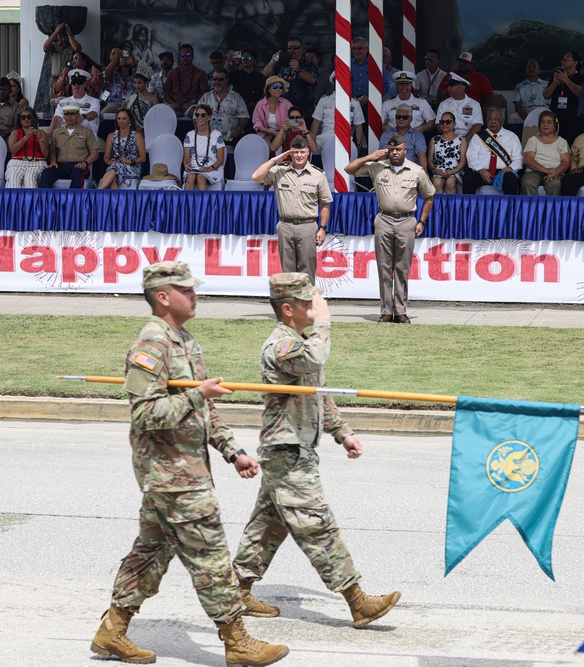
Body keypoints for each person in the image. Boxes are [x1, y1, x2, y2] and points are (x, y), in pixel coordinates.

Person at [90, 261, 289, 667]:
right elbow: (145, 415)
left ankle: (111, 631)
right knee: (211, 555)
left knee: (150, 552)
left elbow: (204, 411)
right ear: (163, 297)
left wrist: (233, 451)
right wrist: (198, 394)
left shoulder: (186, 341)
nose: (195, 295)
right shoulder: (151, 345)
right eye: (187, 290)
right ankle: (237, 642)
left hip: (185, 470)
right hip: (171, 475)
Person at [231, 272, 402, 629]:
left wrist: (343, 433)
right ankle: (358, 602)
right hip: (287, 449)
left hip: (296, 448)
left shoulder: (302, 341)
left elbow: (319, 396)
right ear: (289, 309)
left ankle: (237, 591)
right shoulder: (281, 346)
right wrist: (324, 323)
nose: (317, 307)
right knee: (317, 526)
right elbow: (315, 358)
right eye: (310, 303)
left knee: (268, 525)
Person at [344, 134, 435, 324]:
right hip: (384, 219)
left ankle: (400, 311)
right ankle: (386, 311)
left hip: (406, 220)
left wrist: (422, 222)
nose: (395, 153)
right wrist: (371, 156)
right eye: (391, 150)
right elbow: (349, 169)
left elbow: (429, 196)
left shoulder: (416, 171)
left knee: (402, 268)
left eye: (398, 149)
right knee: (384, 267)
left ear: (405, 150)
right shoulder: (377, 167)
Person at [252, 136, 330, 282]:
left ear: (308, 152)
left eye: (302, 152)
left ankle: (307, 304)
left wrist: (323, 228)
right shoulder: (279, 171)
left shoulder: (318, 175)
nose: (299, 155)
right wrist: (274, 160)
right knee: (288, 274)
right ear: (290, 153)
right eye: (295, 152)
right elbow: (256, 177)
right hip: (285, 226)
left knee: (307, 273)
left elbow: (325, 205)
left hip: (308, 226)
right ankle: (291, 304)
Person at [463, 107, 522, 195]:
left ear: (502, 121)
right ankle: (469, 207)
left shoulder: (512, 137)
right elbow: (471, 156)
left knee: (510, 178)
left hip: (502, 173)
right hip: (482, 172)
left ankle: (509, 208)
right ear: (486, 121)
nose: (493, 121)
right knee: (468, 177)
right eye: (490, 119)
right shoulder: (478, 137)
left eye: (496, 119)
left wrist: (510, 168)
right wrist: (481, 170)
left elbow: (519, 158)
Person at [39, 105, 100, 189]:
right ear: (63, 116)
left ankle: (74, 201)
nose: (69, 117)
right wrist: (53, 161)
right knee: (46, 173)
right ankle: (46, 201)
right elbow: (52, 151)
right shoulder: (57, 132)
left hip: (79, 165)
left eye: (72, 114)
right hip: (61, 165)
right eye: (67, 115)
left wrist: (84, 163)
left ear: (78, 116)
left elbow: (95, 153)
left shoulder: (87, 132)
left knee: (77, 173)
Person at [263, 36, 319, 116]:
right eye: (290, 48)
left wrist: (298, 69)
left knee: (299, 128)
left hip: (303, 110)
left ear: (302, 49)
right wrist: (272, 61)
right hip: (283, 110)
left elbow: (313, 79)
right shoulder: (282, 63)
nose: (292, 50)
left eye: (295, 48)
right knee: (285, 128)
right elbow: (266, 73)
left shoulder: (308, 64)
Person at [520, 110, 569, 196]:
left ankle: (551, 209)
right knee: (527, 182)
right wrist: (545, 170)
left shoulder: (562, 141)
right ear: (539, 126)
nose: (545, 125)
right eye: (542, 122)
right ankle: (532, 209)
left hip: (555, 172)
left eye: (549, 122)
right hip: (534, 171)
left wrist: (555, 172)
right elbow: (528, 160)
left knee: (555, 184)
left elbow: (566, 162)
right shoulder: (532, 140)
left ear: (555, 126)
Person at [310, 73, 366, 149]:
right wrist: (312, 141)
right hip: (325, 138)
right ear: (335, 83)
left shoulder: (354, 103)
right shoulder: (324, 100)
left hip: (345, 139)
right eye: (340, 81)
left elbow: (358, 126)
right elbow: (316, 121)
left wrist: (359, 145)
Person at [198, 69, 250, 145]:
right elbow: (195, 116)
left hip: (231, 136)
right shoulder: (206, 97)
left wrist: (238, 129)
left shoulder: (236, 97)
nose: (217, 82)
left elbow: (245, 116)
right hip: (209, 135)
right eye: (215, 79)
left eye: (220, 79)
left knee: (244, 143)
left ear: (227, 80)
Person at [545, 51, 584, 146]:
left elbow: (580, 93)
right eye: (563, 59)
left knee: (573, 144)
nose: (563, 61)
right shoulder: (556, 76)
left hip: (574, 118)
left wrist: (566, 79)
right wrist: (555, 83)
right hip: (557, 116)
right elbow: (546, 96)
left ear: (575, 62)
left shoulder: (581, 77)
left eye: (567, 59)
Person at [99, 108, 145, 190]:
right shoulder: (111, 136)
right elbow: (106, 157)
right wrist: (109, 162)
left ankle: (99, 190)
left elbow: (143, 158)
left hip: (132, 166)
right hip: (116, 165)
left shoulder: (137, 135)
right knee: (115, 167)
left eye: (124, 118)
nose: (121, 121)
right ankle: (113, 187)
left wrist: (130, 162)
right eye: (119, 118)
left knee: (114, 168)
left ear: (130, 120)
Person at [183, 103, 225, 191]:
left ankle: (202, 204)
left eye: (203, 115)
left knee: (201, 177)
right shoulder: (189, 135)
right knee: (190, 177)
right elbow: (186, 158)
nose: (199, 118)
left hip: (212, 168)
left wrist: (210, 168)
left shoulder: (217, 135)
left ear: (209, 117)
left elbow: (221, 160)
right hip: (194, 168)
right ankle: (187, 204)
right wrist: (187, 165)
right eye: (197, 115)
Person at [5, 107, 49, 188]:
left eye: (29, 117)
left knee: (30, 180)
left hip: (36, 163)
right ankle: (14, 201)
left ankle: (30, 201)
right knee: (14, 179)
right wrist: (26, 137)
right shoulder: (15, 132)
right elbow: (13, 150)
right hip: (17, 163)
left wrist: (40, 139)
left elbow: (46, 154)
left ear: (33, 119)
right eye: (23, 117)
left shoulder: (41, 133)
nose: (26, 119)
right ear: (19, 120)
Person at [49, 70, 101, 137]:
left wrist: (83, 117)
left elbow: (93, 114)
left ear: (85, 84)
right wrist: (51, 130)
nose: (76, 85)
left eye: (79, 82)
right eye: (74, 82)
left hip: (86, 138)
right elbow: (57, 118)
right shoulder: (63, 102)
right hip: (66, 137)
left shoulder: (94, 101)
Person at [42, 22, 81, 108]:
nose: (63, 39)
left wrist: (69, 33)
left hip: (70, 81)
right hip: (56, 79)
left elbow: (77, 48)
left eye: (65, 36)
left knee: (70, 105)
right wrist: (55, 32)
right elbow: (45, 47)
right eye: (60, 36)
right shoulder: (55, 46)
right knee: (54, 105)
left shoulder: (72, 46)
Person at [427, 111, 467, 194]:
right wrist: (435, 170)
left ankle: (451, 207)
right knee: (437, 182)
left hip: (456, 171)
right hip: (439, 171)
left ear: (454, 124)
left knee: (451, 182)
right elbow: (430, 159)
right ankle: (438, 207)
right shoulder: (434, 139)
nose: (444, 124)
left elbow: (463, 160)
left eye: (448, 122)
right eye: (442, 122)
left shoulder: (462, 139)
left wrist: (454, 171)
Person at [436, 73, 483, 141]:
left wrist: (464, 140)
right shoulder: (444, 104)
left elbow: (477, 127)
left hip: (469, 140)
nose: (448, 89)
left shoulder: (475, 104)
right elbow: (439, 127)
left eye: (451, 86)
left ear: (460, 89)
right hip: (448, 138)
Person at [380, 105, 427, 171]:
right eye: (398, 117)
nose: (401, 119)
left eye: (404, 117)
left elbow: (421, 154)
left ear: (411, 119)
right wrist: (381, 171)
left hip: (411, 171)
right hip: (391, 170)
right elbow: (383, 153)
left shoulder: (417, 135)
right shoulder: (387, 134)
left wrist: (424, 172)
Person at [164, 44, 208, 116]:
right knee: (164, 112)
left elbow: (204, 93)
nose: (185, 57)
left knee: (195, 112)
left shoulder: (200, 73)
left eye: (188, 54)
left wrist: (193, 102)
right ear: (179, 56)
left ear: (193, 56)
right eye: (182, 55)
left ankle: (197, 128)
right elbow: (166, 93)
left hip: (191, 105)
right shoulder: (172, 73)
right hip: (175, 105)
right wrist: (172, 103)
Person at [253, 76, 293, 146]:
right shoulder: (260, 104)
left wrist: (285, 129)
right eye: (275, 87)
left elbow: (296, 121)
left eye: (280, 87)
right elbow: (257, 125)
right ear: (268, 89)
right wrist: (271, 132)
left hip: (284, 135)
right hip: (265, 135)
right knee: (265, 147)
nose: (278, 89)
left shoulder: (287, 103)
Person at [509, 59, 549, 124]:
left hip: (543, 110)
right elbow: (517, 104)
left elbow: (552, 102)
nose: (531, 69)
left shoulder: (546, 85)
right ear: (525, 71)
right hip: (526, 110)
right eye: (529, 67)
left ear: (539, 71)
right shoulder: (519, 86)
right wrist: (522, 112)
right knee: (512, 118)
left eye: (534, 67)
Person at [230, 49, 267, 116]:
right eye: (243, 58)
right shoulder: (234, 75)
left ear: (254, 61)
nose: (246, 60)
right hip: (237, 110)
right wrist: (227, 61)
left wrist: (257, 104)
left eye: (249, 58)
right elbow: (221, 79)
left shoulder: (260, 77)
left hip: (255, 110)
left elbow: (264, 94)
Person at [103, 47, 137, 113]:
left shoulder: (135, 70)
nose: (124, 59)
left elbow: (138, 77)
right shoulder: (115, 72)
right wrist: (116, 58)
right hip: (116, 103)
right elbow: (107, 72)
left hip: (131, 104)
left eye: (126, 56)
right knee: (103, 114)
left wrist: (132, 63)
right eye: (122, 57)